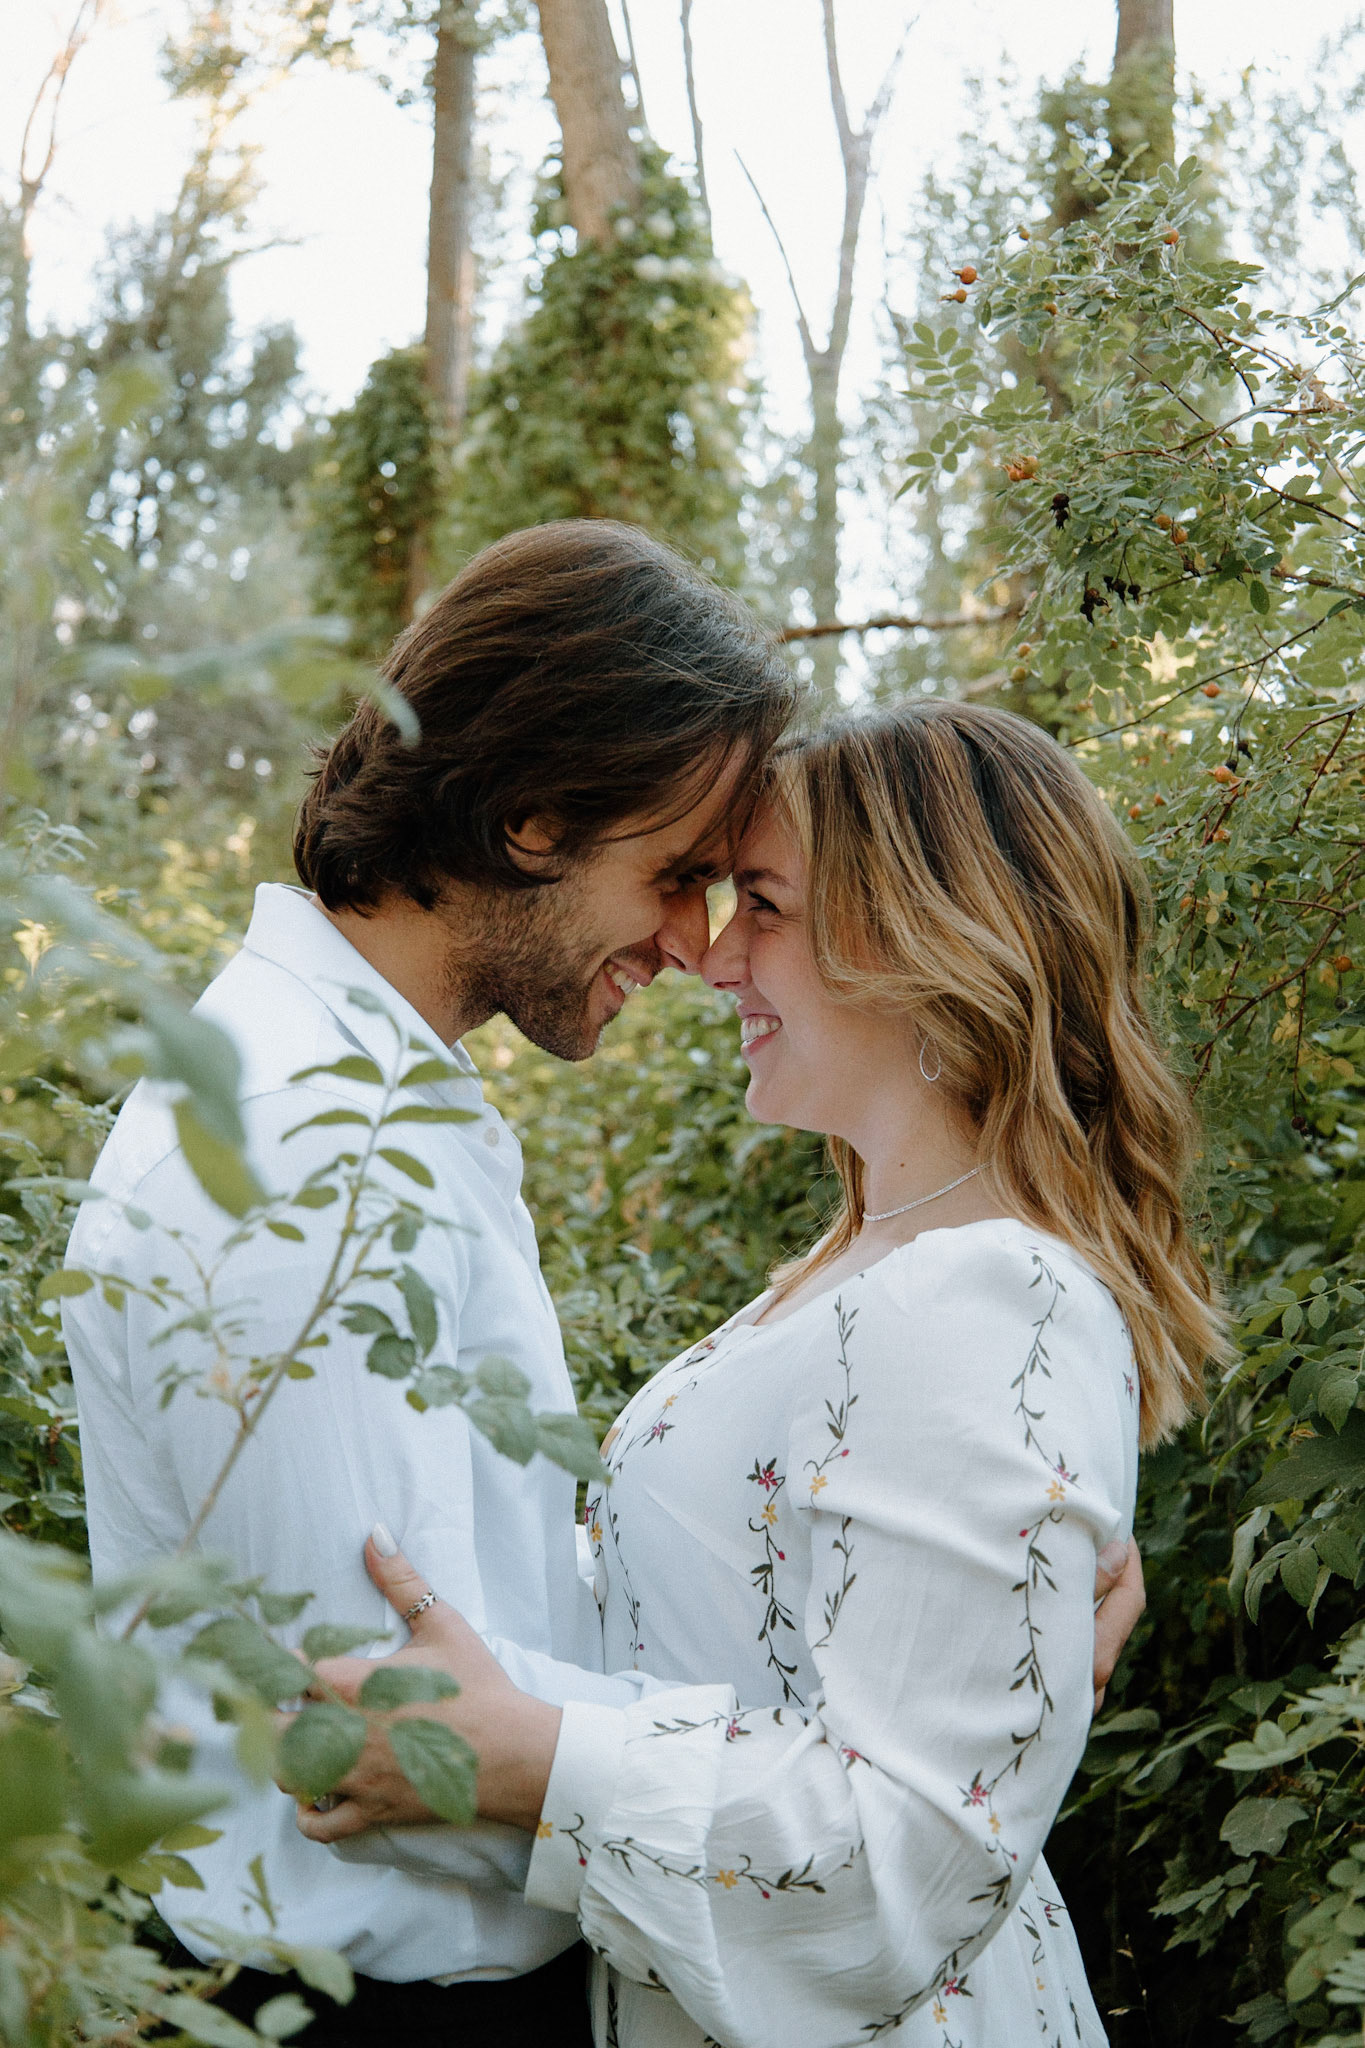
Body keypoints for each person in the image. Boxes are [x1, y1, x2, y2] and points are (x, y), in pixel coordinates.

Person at [293, 701, 1220, 2048]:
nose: (714, 956)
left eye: (764, 905)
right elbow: (729, 1620)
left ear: (920, 939)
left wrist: (528, 1764)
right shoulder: (863, 1264)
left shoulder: (982, 1296)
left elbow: (907, 1862)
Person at [61, 520, 796, 2047]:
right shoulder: (294, 1149)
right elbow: (386, 1733)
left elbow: (486, 1608)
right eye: (672, 877)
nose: (690, 946)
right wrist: (811, 1759)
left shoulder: (373, 1100)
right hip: (361, 2009)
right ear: (529, 820)